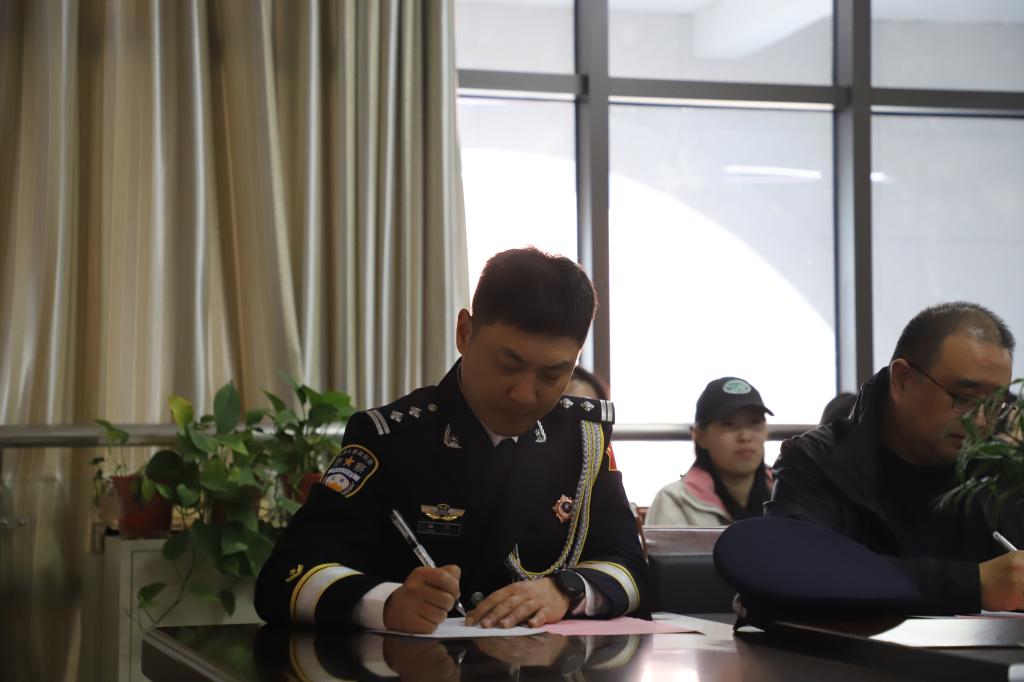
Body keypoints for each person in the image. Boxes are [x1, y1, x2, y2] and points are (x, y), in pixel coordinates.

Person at [254, 247, 647, 634]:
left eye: (552, 375)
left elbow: (629, 566)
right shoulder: (392, 438)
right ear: (464, 332)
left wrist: (565, 590)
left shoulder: (581, 440)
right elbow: (287, 577)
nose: (524, 394)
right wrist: (385, 603)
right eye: (508, 365)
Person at [766, 301, 1024, 613]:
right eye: (964, 398)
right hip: (855, 645)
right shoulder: (818, 461)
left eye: (996, 404)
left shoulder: (1000, 473)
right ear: (902, 379)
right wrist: (975, 584)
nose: (981, 421)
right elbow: (794, 570)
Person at [645, 377, 773, 526]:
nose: (745, 436)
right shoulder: (675, 502)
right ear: (700, 436)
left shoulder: (786, 494)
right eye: (729, 424)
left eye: (755, 422)